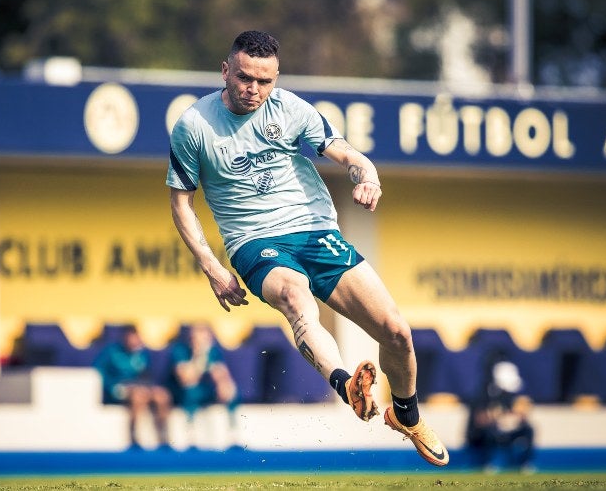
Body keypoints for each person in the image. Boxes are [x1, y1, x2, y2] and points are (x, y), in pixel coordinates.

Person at [166, 30, 448, 466]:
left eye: (264, 81)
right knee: (298, 300)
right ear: (225, 71)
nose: (253, 89)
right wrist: (212, 266)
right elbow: (180, 202)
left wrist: (367, 177)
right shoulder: (194, 126)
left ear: (275, 78)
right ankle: (345, 385)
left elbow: (350, 155)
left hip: (316, 233)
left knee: (396, 331)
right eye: (243, 78)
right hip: (254, 242)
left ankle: (407, 416)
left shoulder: (291, 108)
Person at [94, 324, 173, 450]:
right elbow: (99, 373)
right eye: (131, 338)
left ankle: (164, 437)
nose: (134, 341)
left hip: (141, 388)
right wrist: (114, 388)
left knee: (162, 396)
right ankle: (134, 438)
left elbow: (147, 376)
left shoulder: (142, 354)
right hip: (119, 390)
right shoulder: (111, 352)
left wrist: (150, 387)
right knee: (138, 397)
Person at [170, 322, 239, 449]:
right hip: (182, 391)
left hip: (206, 389)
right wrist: (200, 357)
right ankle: (191, 435)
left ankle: (233, 434)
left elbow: (222, 374)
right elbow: (187, 379)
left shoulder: (213, 352)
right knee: (190, 392)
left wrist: (223, 385)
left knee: (230, 391)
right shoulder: (181, 351)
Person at [466, 355, 535, 472]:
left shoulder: (511, 395)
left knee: (529, 429)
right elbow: (479, 420)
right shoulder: (482, 393)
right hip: (483, 433)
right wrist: (498, 419)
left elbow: (520, 414)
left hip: (505, 430)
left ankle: (525, 463)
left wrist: (516, 418)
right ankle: (488, 463)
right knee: (490, 431)